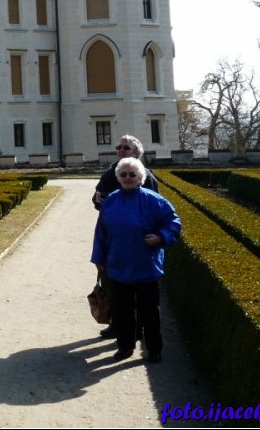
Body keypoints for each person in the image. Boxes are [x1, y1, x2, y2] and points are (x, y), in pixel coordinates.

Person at [91, 157, 181, 363]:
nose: (128, 177)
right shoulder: (111, 200)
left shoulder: (154, 200)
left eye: (133, 174)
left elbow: (173, 222)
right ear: (118, 177)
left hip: (146, 265)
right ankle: (125, 346)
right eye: (123, 174)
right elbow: (101, 232)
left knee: (149, 312)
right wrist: (99, 257)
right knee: (122, 311)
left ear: (141, 177)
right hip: (118, 264)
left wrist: (160, 237)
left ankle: (154, 348)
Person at [92, 134, 160, 339]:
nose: (121, 150)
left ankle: (138, 328)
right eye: (119, 147)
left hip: (139, 242)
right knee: (113, 286)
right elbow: (96, 201)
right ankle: (118, 325)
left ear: (137, 153)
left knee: (140, 290)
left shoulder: (147, 177)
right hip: (114, 240)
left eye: (127, 148)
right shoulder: (109, 173)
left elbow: (157, 211)